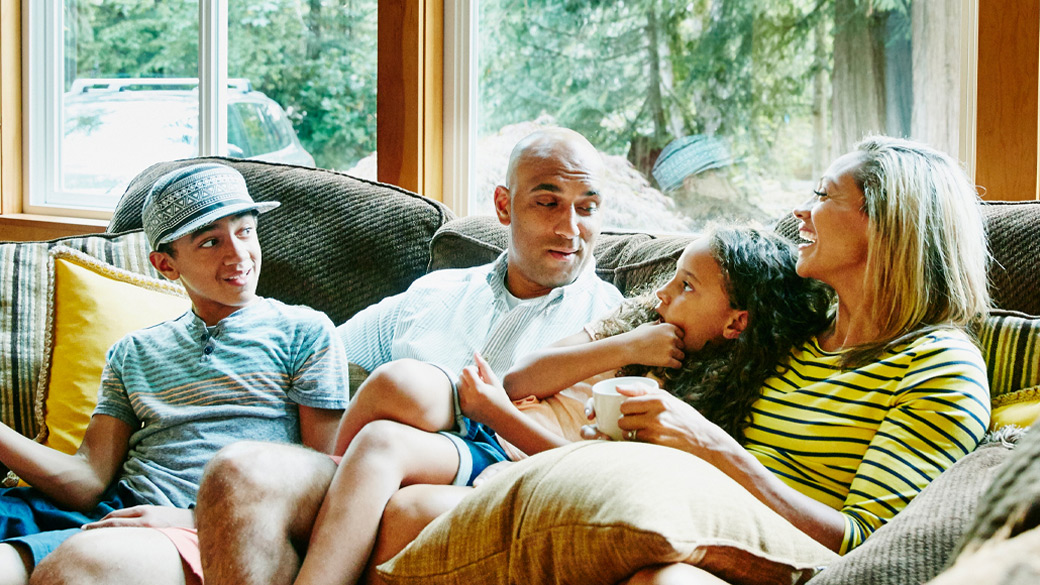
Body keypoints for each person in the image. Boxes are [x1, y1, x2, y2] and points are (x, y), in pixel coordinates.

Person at [366, 135, 995, 585]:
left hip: (784, 547)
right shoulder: (803, 331)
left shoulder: (939, 366)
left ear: (886, 228)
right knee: (408, 512)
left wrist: (710, 447)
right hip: (685, 509)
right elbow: (665, 313)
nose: (799, 212)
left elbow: (870, 545)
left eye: (824, 196)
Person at [33, 127, 623, 585]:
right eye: (547, 203)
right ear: (504, 205)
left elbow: (596, 455)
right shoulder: (436, 293)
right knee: (240, 467)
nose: (570, 227)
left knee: (407, 385)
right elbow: (303, 361)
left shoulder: (612, 323)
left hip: (465, 481)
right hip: (352, 476)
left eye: (587, 207)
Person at [276, 226, 833, 585]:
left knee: (408, 506)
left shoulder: (699, 409)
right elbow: (522, 376)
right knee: (380, 439)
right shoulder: (643, 323)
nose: (664, 294)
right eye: (672, 279)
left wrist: (499, 412)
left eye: (687, 287)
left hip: (527, 468)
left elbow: (581, 473)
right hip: (501, 443)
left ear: (737, 321)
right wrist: (629, 344)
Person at [3, 163, 350, 585]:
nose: (237, 254)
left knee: (79, 569)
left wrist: (190, 516)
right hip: (118, 515)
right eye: (210, 241)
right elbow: (88, 480)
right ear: (166, 264)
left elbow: (327, 477)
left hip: (218, 529)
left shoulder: (305, 332)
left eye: (244, 231)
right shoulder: (133, 352)